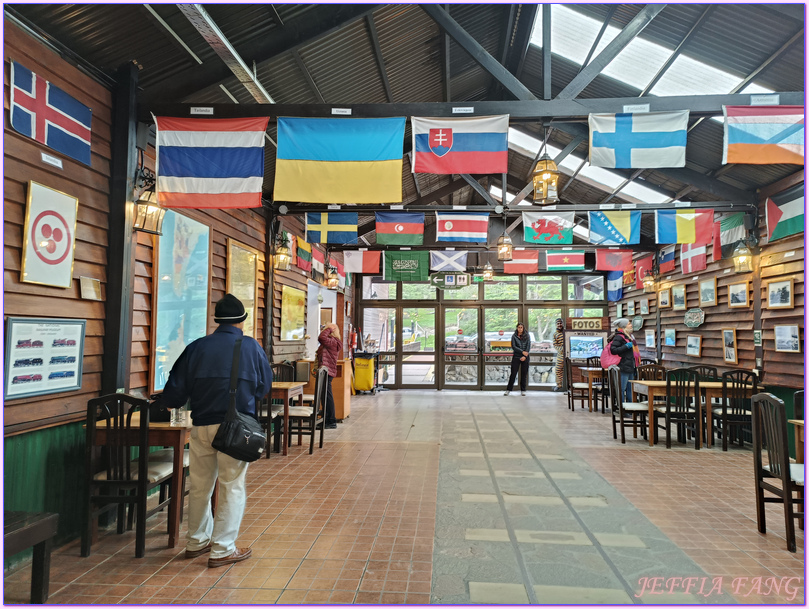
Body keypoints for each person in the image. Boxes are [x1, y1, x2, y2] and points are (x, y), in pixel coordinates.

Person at [160, 294, 272, 568]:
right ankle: (222, 549)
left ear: (216, 320)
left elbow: (175, 390)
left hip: (201, 426)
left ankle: (196, 541)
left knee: (199, 486)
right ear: (242, 321)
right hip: (235, 429)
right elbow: (264, 387)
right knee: (231, 487)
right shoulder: (250, 347)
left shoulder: (197, 347)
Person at [318, 322, 343, 428]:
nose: (324, 330)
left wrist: (329, 329)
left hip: (327, 372)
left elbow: (321, 338)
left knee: (327, 396)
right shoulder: (332, 342)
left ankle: (331, 421)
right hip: (326, 371)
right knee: (325, 396)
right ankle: (327, 419)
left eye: (326, 329)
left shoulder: (333, 341)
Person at [609, 318, 639, 403]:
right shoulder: (619, 337)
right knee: (621, 389)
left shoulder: (630, 337)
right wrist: (626, 346)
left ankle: (630, 409)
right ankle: (622, 409)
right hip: (623, 367)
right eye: (629, 323)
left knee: (630, 389)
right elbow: (613, 350)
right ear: (624, 326)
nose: (631, 325)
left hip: (630, 366)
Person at [504, 323, 531, 396]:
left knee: (524, 374)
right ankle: (508, 389)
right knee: (513, 373)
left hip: (525, 357)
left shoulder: (527, 336)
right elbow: (514, 346)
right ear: (517, 328)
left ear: (523, 328)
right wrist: (522, 352)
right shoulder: (514, 336)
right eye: (518, 327)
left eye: (521, 327)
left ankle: (523, 390)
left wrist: (525, 356)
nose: (520, 329)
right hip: (516, 356)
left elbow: (528, 346)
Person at [553, 318, 565, 391]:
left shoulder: (566, 332)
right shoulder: (555, 334)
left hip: (567, 355)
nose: (559, 325)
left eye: (560, 323)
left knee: (566, 370)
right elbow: (555, 344)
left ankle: (567, 385)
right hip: (560, 354)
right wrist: (560, 349)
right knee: (558, 370)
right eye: (558, 323)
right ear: (556, 325)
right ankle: (559, 384)